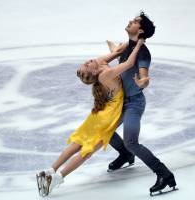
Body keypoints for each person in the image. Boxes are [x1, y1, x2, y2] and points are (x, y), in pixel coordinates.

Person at [36, 38, 146, 197]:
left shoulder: (99, 62)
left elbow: (117, 52)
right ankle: (58, 177)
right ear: (94, 72)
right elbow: (128, 63)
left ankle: (51, 169)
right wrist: (139, 44)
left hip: (97, 115)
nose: (88, 61)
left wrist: (129, 42)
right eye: (87, 65)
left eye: (86, 62)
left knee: (78, 142)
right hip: (108, 116)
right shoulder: (106, 74)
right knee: (86, 150)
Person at [106, 11, 177, 195]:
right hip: (119, 101)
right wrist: (112, 48)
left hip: (134, 103)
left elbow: (144, 76)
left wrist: (143, 82)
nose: (131, 21)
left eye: (135, 21)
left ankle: (165, 174)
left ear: (141, 30)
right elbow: (118, 51)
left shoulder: (143, 52)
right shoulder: (127, 45)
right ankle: (125, 154)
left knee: (131, 141)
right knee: (104, 130)